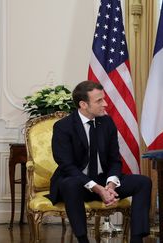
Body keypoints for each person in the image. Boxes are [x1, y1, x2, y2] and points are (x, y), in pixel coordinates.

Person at [47, 80, 151, 243]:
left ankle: (137, 240)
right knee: (69, 184)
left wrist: (110, 185)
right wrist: (97, 188)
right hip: (78, 182)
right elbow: (67, 166)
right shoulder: (63, 127)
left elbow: (115, 160)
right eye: (99, 100)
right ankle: (83, 240)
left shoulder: (107, 122)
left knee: (143, 182)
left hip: (103, 180)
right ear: (83, 104)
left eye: (104, 99)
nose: (106, 104)